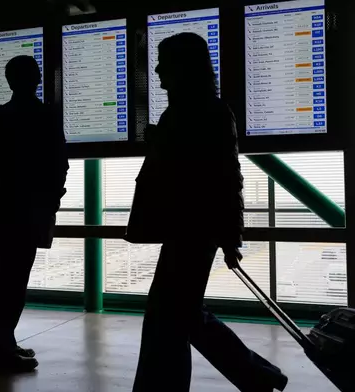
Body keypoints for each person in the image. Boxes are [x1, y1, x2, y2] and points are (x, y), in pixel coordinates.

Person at [127, 33, 288, 392]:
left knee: (167, 316)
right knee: (180, 314)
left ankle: (253, 377)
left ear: (183, 68)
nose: (157, 70)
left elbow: (221, 177)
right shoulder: (206, 111)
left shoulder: (194, 113)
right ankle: (258, 377)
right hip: (195, 228)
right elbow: (222, 176)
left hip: (191, 230)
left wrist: (232, 235)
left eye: (164, 62)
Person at [0, 55, 68, 373]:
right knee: (15, 281)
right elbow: (58, 165)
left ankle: (2, 343)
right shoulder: (46, 117)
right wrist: (51, 203)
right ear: (37, 79)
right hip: (29, 212)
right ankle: (1, 348)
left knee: (0, 277)